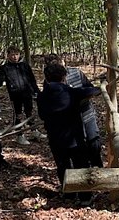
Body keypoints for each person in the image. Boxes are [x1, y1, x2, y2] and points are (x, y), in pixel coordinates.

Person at [37, 62, 101, 201]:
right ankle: (85, 197)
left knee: (63, 166)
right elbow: (93, 91)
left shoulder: (41, 96)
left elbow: (42, 115)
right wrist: (101, 86)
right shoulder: (72, 92)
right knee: (81, 165)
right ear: (64, 77)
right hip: (75, 139)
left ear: (46, 79)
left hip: (55, 139)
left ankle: (69, 194)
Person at [43, 54, 103, 167]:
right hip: (69, 123)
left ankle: (98, 169)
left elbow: (89, 88)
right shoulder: (49, 83)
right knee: (78, 152)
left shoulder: (76, 73)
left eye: (59, 64)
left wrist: (83, 95)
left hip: (86, 114)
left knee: (94, 144)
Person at [0, 46, 39, 145]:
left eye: (16, 54)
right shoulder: (5, 68)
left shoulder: (25, 66)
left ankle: (34, 131)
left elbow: (32, 80)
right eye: (12, 54)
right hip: (15, 95)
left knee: (29, 112)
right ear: (8, 55)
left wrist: (36, 91)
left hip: (27, 93)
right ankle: (19, 135)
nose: (15, 57)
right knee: (18, 115)